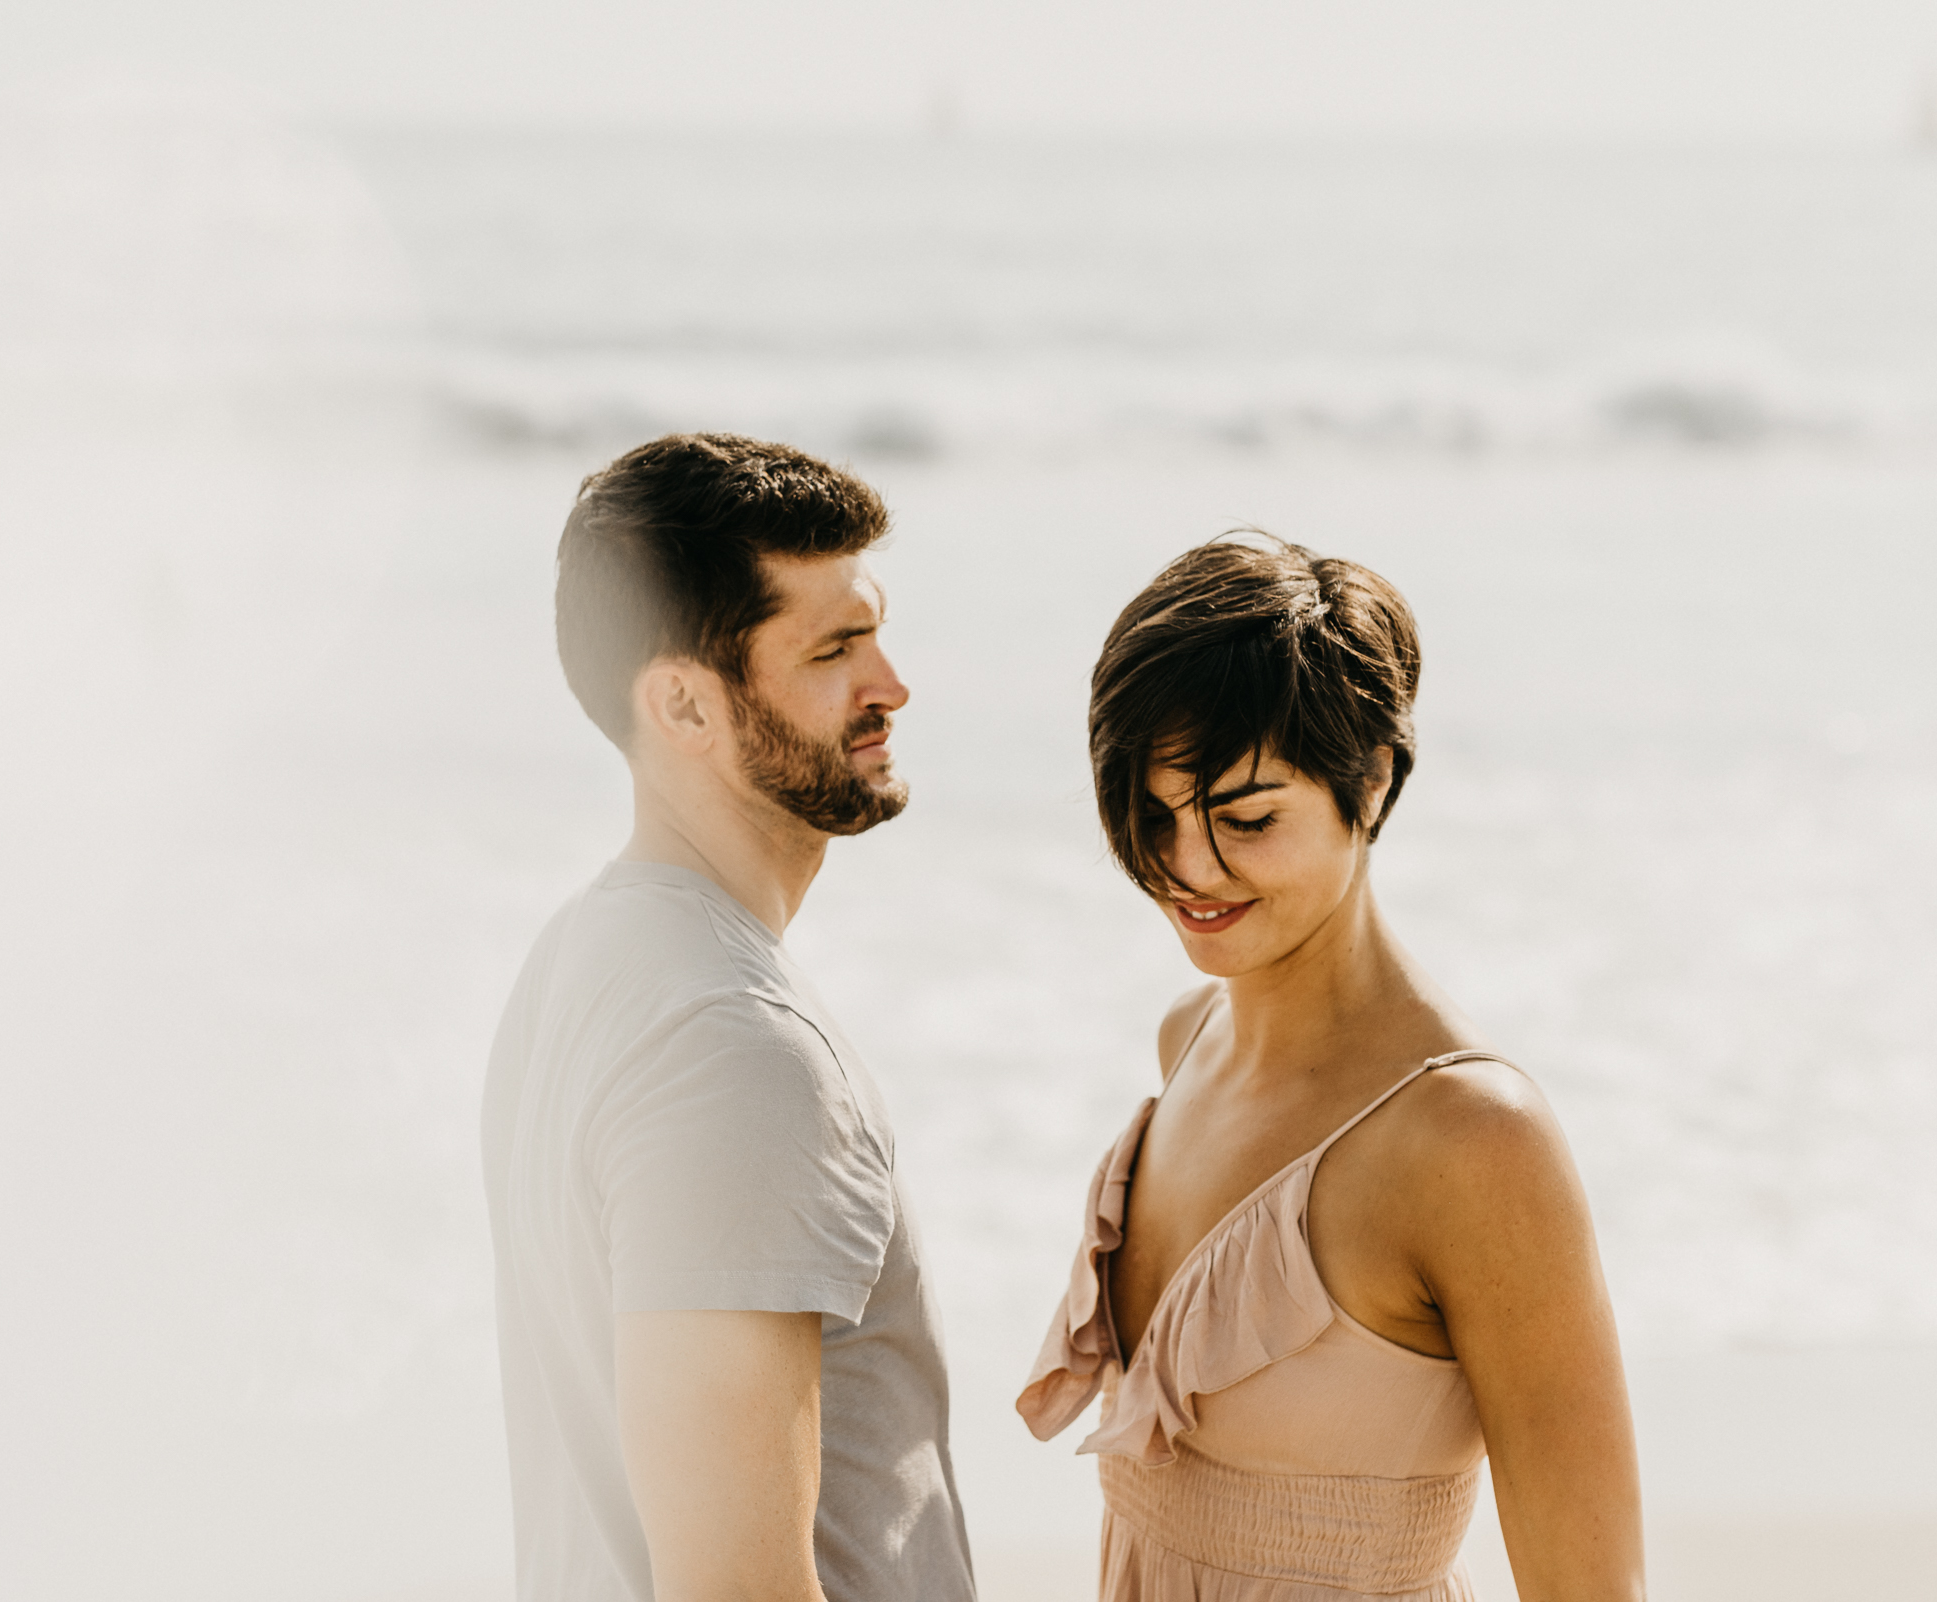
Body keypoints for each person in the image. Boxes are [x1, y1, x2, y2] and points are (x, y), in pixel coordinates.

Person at [1019, 535, 1645, 1602]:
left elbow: (1593, 1590)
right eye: (1152, 811)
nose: (1186, 867)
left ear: (1375, 779)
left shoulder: (1471, 1137)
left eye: (1248, 818)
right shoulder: (1190, 1038)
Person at [483, 433, 977, 1602]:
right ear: (684, 707)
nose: (891, 684)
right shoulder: (737, 1051)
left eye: (878, 630)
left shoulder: (585, 956)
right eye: (834, 649)